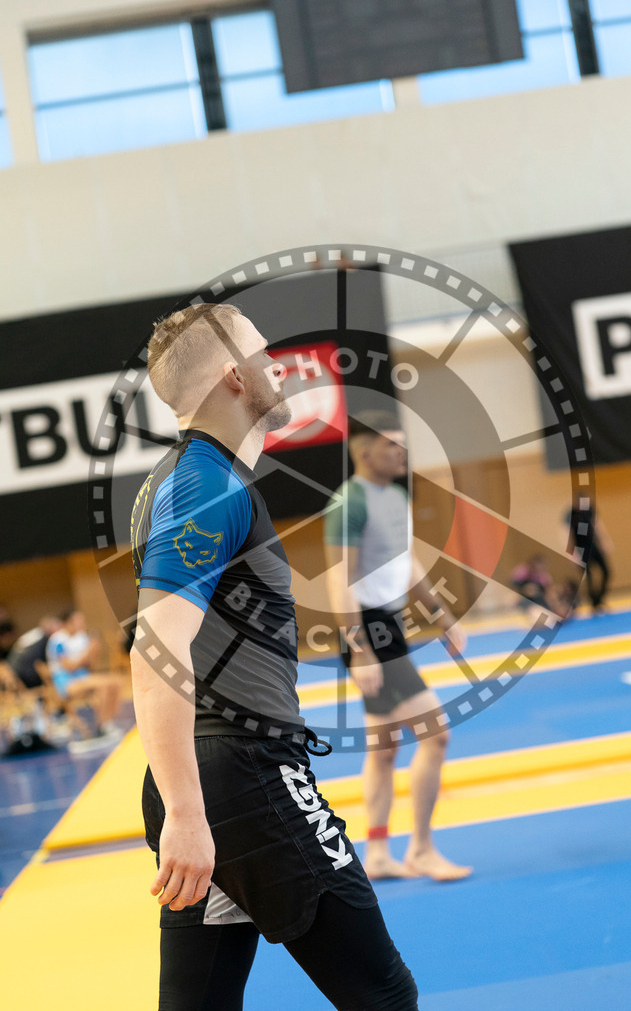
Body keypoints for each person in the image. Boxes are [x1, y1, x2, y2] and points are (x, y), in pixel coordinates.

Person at [130, 303, 418, 1011]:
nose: (279, 365)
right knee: (382, 994)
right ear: (234, 377)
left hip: (211, 783)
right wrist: (188, 815)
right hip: (240, 783)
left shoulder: (182, 480)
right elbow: (154, 647)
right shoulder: (206, 486)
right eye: (265, 353)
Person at [323, 410, 472, 882]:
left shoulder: (398, 497)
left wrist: (442, 616)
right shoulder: (350, 502)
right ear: (365, 452)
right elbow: (338, 579)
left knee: (384, 748)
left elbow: (407, 565)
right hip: (369, 630)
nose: (401, 453)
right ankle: (422, 849)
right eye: (392, 445)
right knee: (436, 733)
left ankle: (382, 852)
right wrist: (359, 647)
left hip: (390, 624)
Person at [46, 609, 123, 744]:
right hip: (67, 682)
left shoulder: (81, 637)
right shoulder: (57, 640)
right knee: (104, 685)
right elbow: (69, 667)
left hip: (83, 677)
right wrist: (87, 653)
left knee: (116, 682)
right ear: (68, 623)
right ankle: (102, 727)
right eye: (78, 621)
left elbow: (90, 666)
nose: (82, 624)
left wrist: (94, 652)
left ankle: (107, 723)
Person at [565, 502, 613, 612]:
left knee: (607, 572)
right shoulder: (572, 515)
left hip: (593, 546)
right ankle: (593, 602)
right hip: (582, 549)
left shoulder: (590, 511)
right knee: (589, 577)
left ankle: (598, 598)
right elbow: (569, 535)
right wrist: (573, 554)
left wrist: (605, 541)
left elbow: (597, 525)